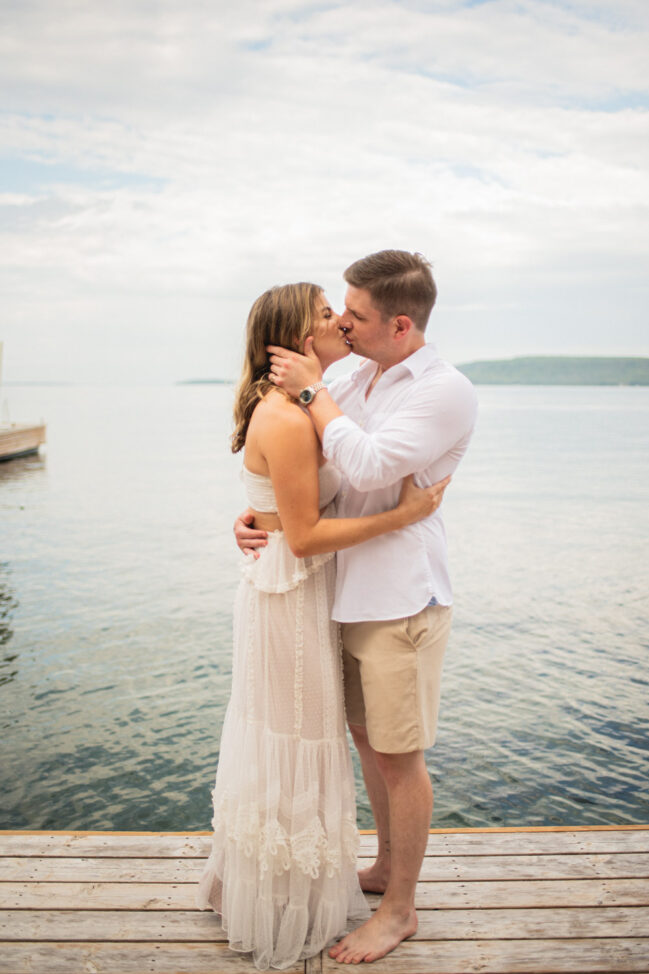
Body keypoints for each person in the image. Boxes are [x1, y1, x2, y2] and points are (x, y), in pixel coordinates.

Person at [197, 281, 450, 971]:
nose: (340, 320)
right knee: (295, 733)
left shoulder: (331, 397)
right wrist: (400, 516)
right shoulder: (291, 413)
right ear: (300, 341)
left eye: (346, 312)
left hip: (317, 591)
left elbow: (304, 497)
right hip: (295, 590)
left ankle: (314, 884)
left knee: (309, 734)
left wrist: (263, 518)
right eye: (326, 315)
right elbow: (304, 533)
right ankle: (277, 890)